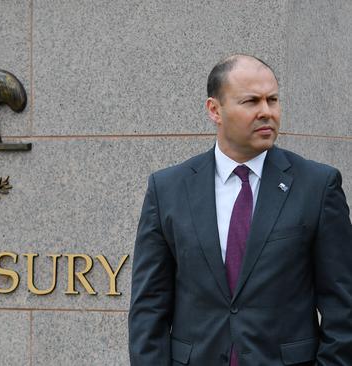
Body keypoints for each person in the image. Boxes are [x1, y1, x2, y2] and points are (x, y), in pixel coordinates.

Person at [128, 54, 352, 365]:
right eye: (251, 101)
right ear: (214, 110)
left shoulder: (318, 186)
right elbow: (148, 306)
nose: (266, 112)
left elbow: (343, 305)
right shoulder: (167, 189)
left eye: (272, 100)